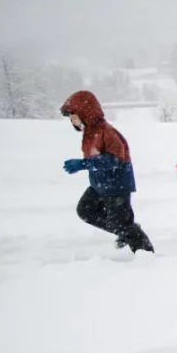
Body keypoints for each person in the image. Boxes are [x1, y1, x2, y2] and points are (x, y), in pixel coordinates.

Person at [60, 89, 154, 253]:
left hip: (116, 185)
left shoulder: (106, 132)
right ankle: (126, 231)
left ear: (85, 113)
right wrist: (86, 165)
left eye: (74, 117)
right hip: (99, 185)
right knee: (85, 210)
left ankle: (144, 252)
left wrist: (83, 164)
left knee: (121, 223)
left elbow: (115, 160)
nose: (73, 121)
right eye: (71, 119)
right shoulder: (90, 132)